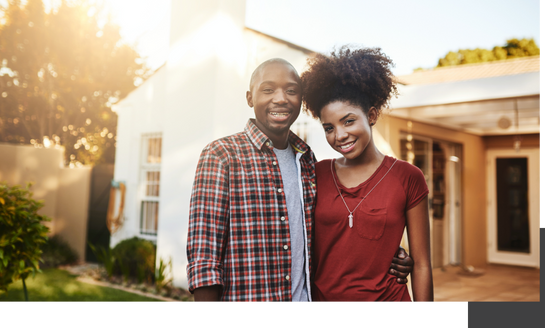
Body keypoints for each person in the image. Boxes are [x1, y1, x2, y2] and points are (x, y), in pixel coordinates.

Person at [186, 58, 414, 305]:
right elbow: (204, 261)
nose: (281, 98)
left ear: (301, 100)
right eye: (268, 89)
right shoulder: (222, 155)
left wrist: (390, 255)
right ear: (250, 98)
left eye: (291, 90)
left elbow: (328, 236)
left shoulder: (307, 161)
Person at [300, 46, 434, 305]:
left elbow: (422, 265)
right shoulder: (315, 174)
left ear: (371, 115)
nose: (339, 135)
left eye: (348, 121)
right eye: (329, 127)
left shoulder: (408, 177)